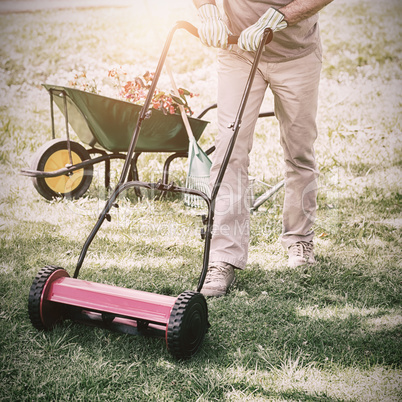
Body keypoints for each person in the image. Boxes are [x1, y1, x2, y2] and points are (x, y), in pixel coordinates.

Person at [193, 0, 334, 297]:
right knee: (230, 151)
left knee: (299, 151)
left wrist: (282, 15)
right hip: (238, 51)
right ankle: (223, 257)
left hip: (296, 56)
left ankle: (300, 238)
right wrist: (207, 8)